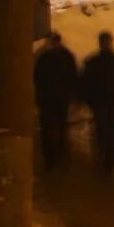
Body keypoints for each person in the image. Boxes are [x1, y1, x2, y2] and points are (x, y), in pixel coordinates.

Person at [81, 31, 114, 174]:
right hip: (113, 105)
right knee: (112, 134)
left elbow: (85, 84)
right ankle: (109, 162)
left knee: (102, 132)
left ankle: (103, 158)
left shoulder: (93, 62)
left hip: (101, 105)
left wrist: (90, 101)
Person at [33, 32, 80, 168]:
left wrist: (39, 95)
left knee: (47, 127)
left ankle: (49, 157)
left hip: (47, 99)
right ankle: (61, 153)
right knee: (61, 125)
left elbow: (37, 78)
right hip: (61, 98)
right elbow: (73, 76)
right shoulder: (67, 56)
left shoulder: (44, 57)